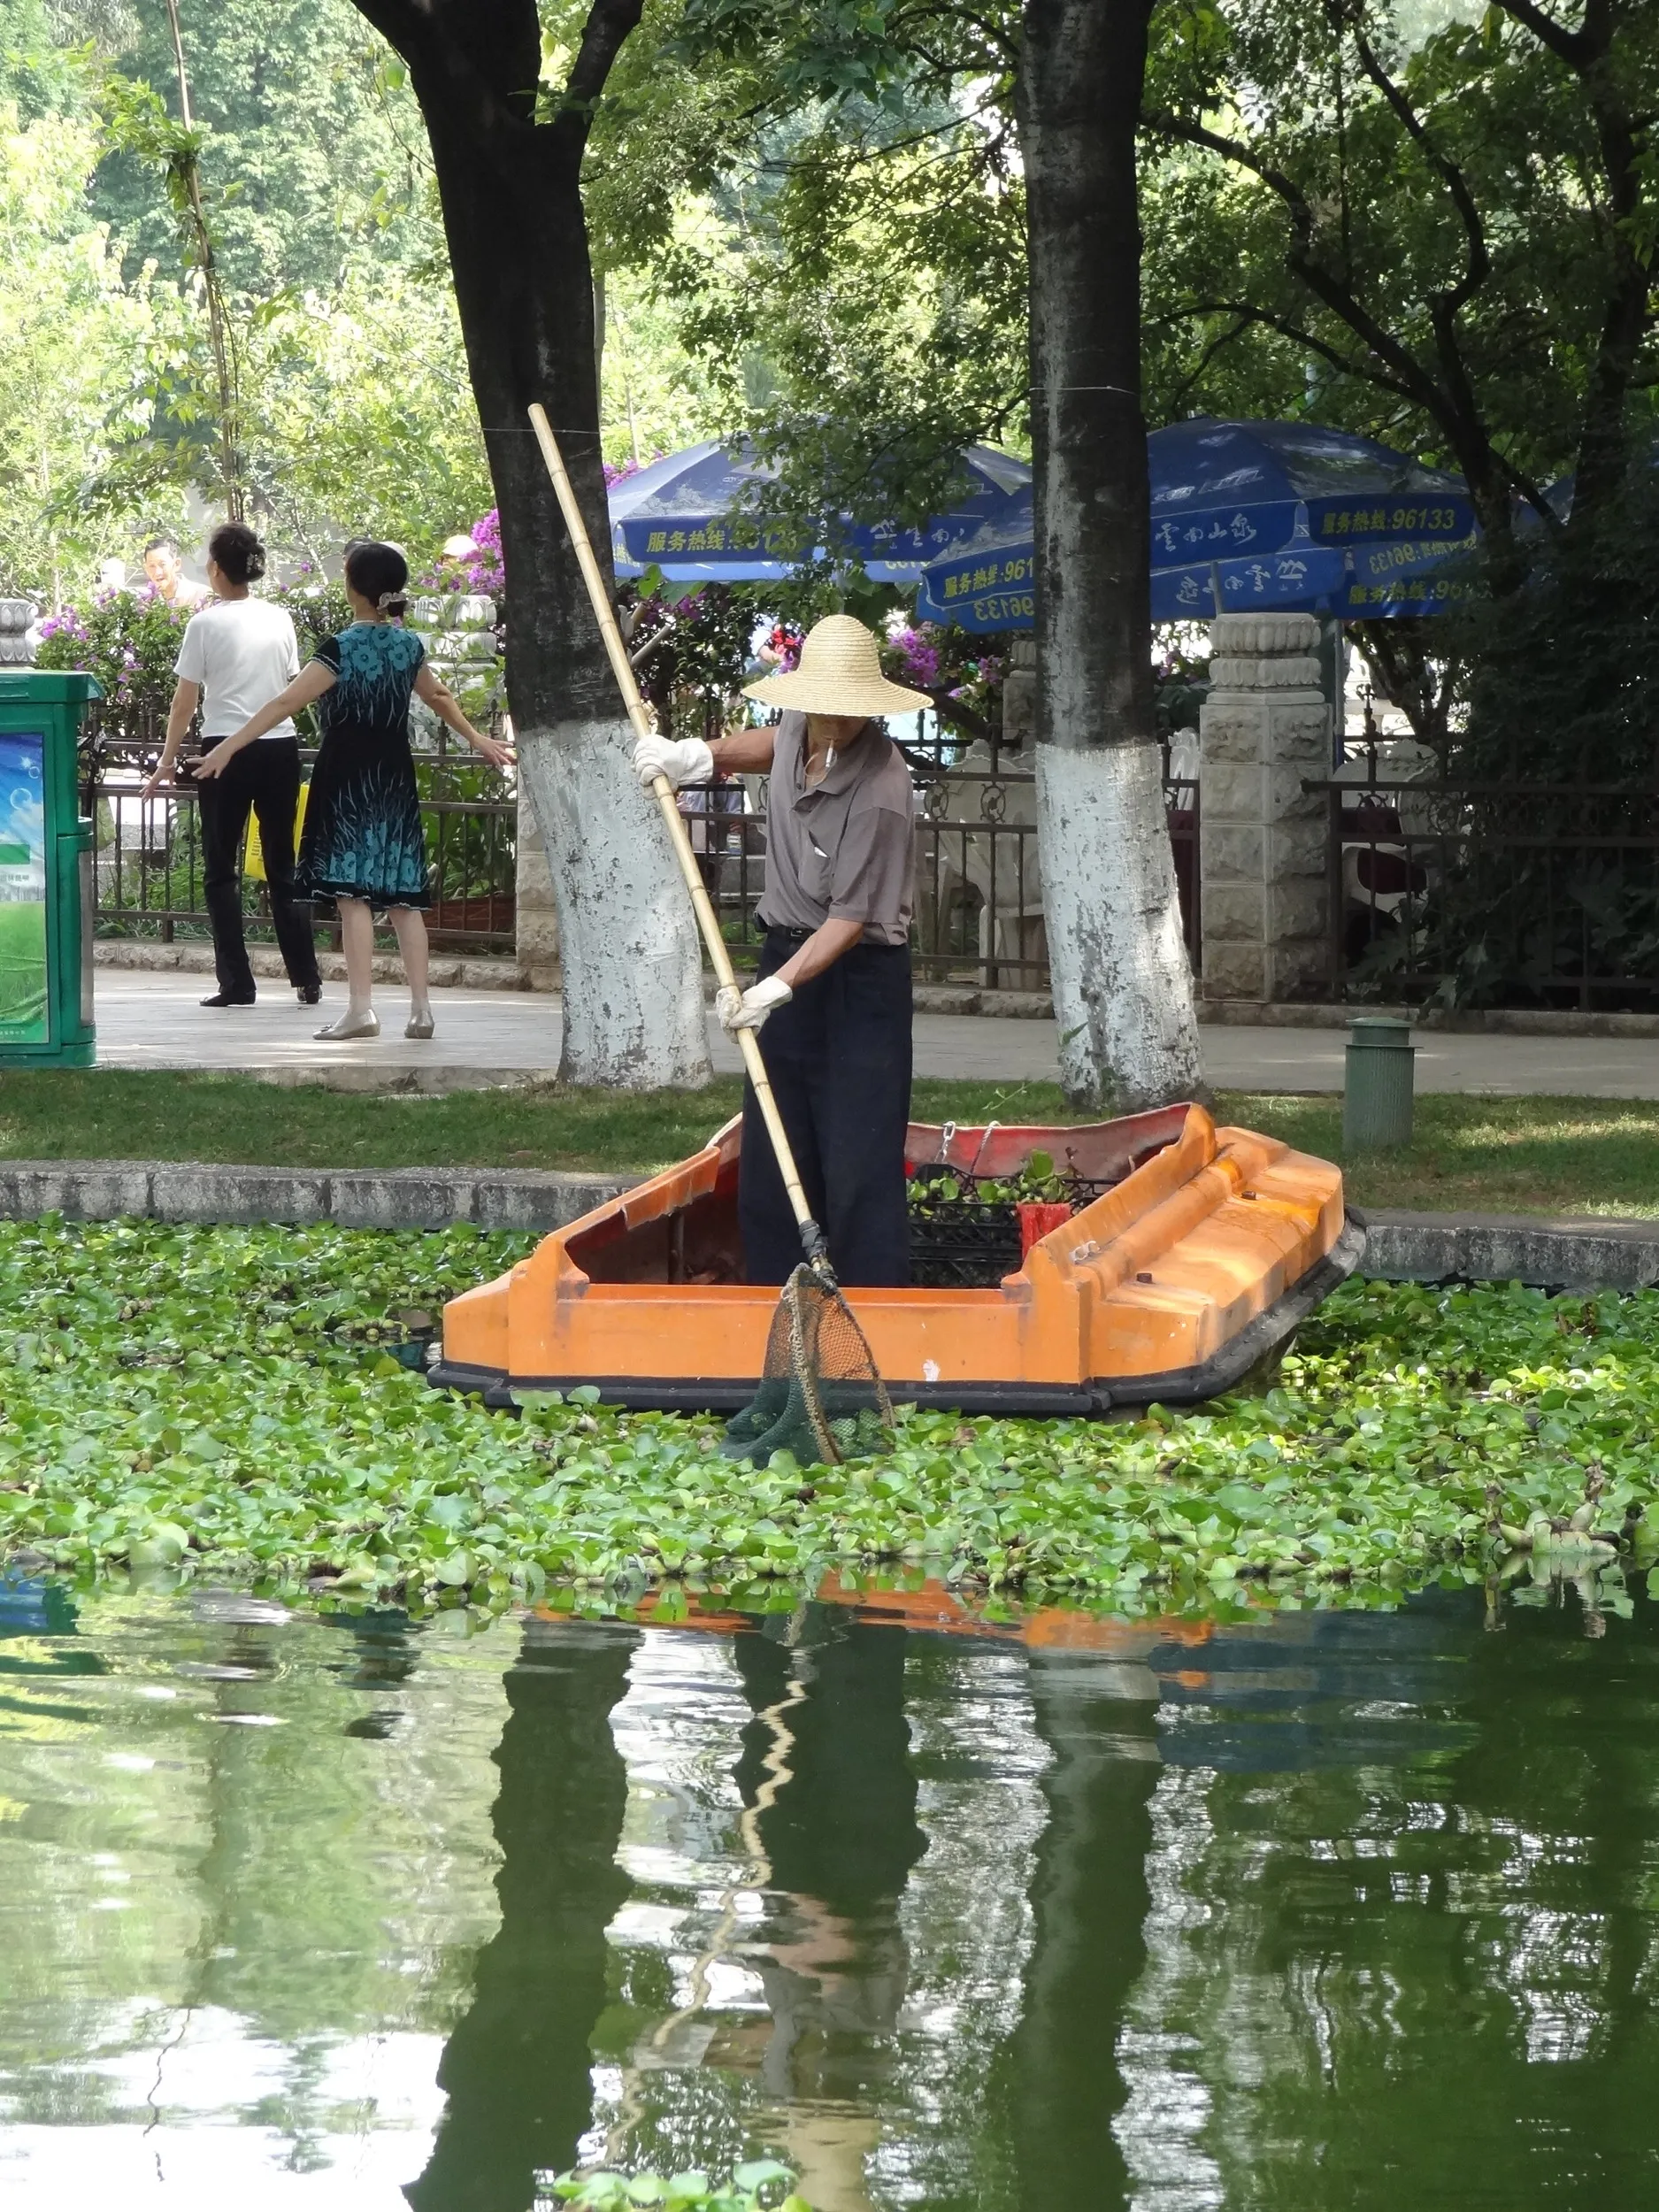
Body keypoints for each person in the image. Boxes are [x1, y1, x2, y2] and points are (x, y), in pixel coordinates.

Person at [633, 613, 929, 1286]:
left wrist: (772, 992)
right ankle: (778, 1299)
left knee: (856, 1157)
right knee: (773, 1149)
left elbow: (849, 920)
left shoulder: (882, 789)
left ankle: (871, 1308)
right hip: (786, 954)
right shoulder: (804, 723)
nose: (827, 720)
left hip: (857, 979)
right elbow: (768, 742)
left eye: (843, 710)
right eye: (819, 705)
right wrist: (696, 757)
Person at [197, 540, 513, 1041]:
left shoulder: (341, 647)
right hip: (394, 775)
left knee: (352, 895)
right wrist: (476, 739)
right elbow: (438, 694)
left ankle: (362, 1010)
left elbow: (283, 703)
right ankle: (421, 1010)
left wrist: (227, 748)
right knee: (404, 897)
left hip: (346, 776)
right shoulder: (408, 646)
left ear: (354, 587)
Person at [142, 522, 322, 1010]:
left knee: (221, 868)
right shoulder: (279, 618)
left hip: (224, 749)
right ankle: (307, 978)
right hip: (280, 745)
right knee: (284, 863)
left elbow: (185, 701)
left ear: (216, 569)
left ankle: (237, 983)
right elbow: (288, 684)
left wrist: (165, 760)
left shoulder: (204, 624)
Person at [142, 535, 205, 609]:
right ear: (146, 568)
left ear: (177, 564)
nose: (157, 572)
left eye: (162, 565)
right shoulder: (144, 600)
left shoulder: (201, 595)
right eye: (152, 566)